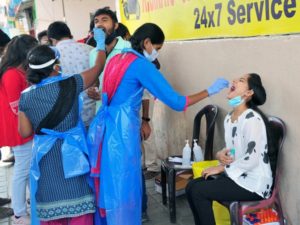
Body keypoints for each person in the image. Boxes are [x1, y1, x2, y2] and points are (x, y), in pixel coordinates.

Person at [87, 23, 228, 225]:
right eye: (158, 48)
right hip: (122, 131)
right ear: (147, 42)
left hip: (105, 127)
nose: (157, 53)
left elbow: (109, 94)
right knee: (125, 185)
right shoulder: (141, 65)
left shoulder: (116, 58)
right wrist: (209, 91)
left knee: (110, 184)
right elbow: (178, 103)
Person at [18, 28, 106, 225]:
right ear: (55, 66)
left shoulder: (25, 96)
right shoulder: (72, 83)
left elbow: (24, 132)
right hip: (74, 160)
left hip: (45, 163)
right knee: (79, 212)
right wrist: (100, 44)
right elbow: (98, 66)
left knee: (52, 213)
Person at [185, 73, 274, 225]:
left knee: (199, 191)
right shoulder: (230, 118)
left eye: (241, 80)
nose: (234, 81)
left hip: (254, 182)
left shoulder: (252, 119)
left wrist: (222, 169)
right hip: (239, 175)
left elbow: (252, 158)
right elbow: (232, 149)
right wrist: (221, 154)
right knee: (191, 186)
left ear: (249, 92)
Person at [0, 34, 38, 225]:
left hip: (21, 126)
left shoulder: (14, 72)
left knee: (27, 167)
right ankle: (19, 213)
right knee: (22, 170)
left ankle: (31, 206)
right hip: (19, 128)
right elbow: (17, 107)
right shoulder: (12, 74)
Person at [47, 21, 96, 128]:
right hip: (94, 111)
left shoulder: (51, 55)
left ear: (52, 40)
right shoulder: (91, 50)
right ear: (69, 34)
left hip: (67, 115)